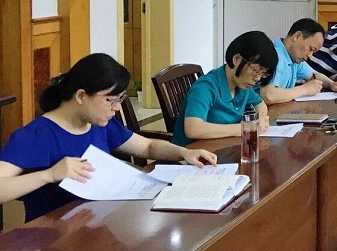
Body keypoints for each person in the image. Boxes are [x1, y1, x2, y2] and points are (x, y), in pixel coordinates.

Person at [0, 53, 217, 222]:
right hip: (54, 236)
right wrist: (49, 175)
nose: (116, 108)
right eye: (110, 100)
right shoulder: (36, 135)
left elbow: (148, 147)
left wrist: (184, 152)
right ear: (81, 96)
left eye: (119, 99)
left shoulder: (97, 124)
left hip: (96, 224)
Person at [172, 30, 278, 146]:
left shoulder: (243, 86)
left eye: (263, 73)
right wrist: (245, 128)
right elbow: (193, 129)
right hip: (192, 153)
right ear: (236, 59)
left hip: (223, 148)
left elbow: (260, 103)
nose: (257, 78)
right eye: (255, 70)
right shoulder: (205, 87)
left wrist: (261, 119)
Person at [260, 18, 337, 105]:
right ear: (297, 36)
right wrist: (304, 89)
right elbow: (268, 95)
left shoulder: (293, 57)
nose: (310, 56)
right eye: (311, 49)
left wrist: (332, 84)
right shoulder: (274, 55)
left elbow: (313, 75)